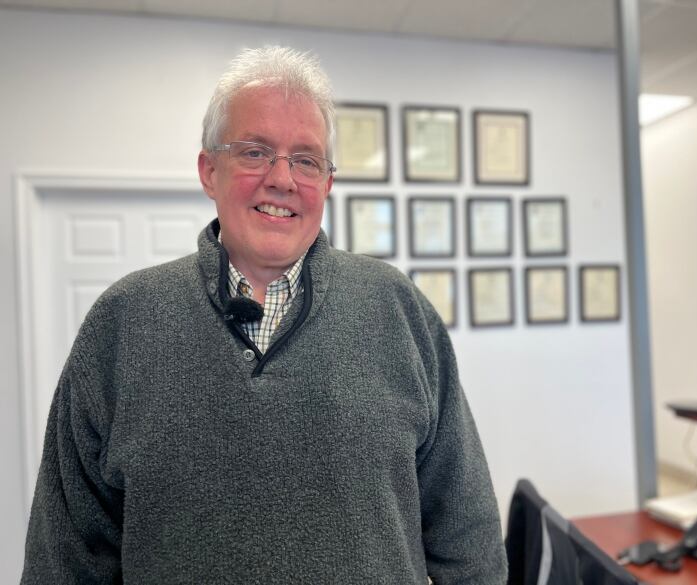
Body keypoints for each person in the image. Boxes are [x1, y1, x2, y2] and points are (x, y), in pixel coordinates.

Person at [21, 46, 507, 584]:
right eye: (255, 152)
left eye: (306, 159)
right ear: (209, 171)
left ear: (327, 182)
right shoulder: (122, 324)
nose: (283, 179)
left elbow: (470, 544)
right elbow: (63, 559)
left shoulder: (399, 312)